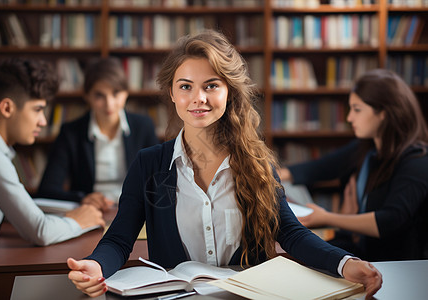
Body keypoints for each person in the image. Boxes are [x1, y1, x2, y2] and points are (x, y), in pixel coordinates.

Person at [67, 30, 382, 298]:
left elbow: (291, 233)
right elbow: (120, 240)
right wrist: (95, 266)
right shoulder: (149, 165)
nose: (198, 98)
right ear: (172, 94)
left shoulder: (257, 163)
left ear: (229, 92)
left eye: (211, 85)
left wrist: (344, 263)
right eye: (186, 86)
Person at [0, 58, 105, 297]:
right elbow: (40, 231)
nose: (43, 121)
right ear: (7, 108)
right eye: (37, 109)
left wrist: (75, 208)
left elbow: (22, 203)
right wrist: (80, 220)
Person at [279, 69, 428, 261]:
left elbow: (389, 220)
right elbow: (320, 168)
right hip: (361, 249)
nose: (349, 118)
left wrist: (328, 217)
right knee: (288, 253)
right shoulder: (368, 147)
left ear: (383, 112)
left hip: (394, 263)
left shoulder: (417, 160)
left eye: (357, 109)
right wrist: (267, 174)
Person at [37, 57, 158, 211]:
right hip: (90, 211)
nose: (109, 104)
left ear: (126, 93)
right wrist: (83, 198)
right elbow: (47, 190)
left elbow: (158, 180)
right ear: (87, 96)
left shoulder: (143, 126)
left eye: (116, 93)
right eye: (99, 95)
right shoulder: (71, 133)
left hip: (135, 209)